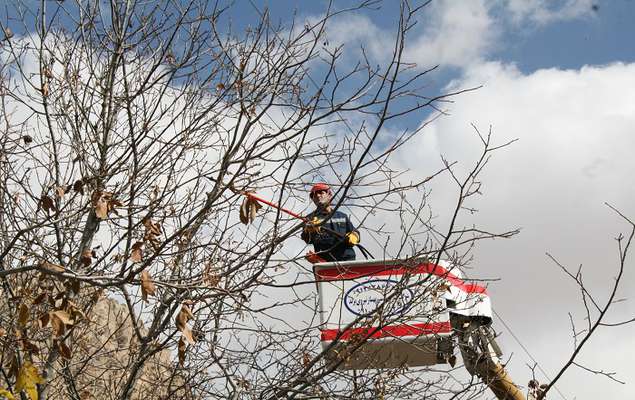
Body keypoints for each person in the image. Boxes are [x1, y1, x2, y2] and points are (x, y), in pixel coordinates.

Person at [301, 183, 360, 262]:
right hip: (326, 262)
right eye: (314, 195)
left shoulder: (342, 216)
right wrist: (310, 230)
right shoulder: (310, 219)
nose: (318, 196)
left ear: (329, 195)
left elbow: (354, 231)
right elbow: (307, 239)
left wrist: (354, 236)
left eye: (321, 193)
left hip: (348, 259)